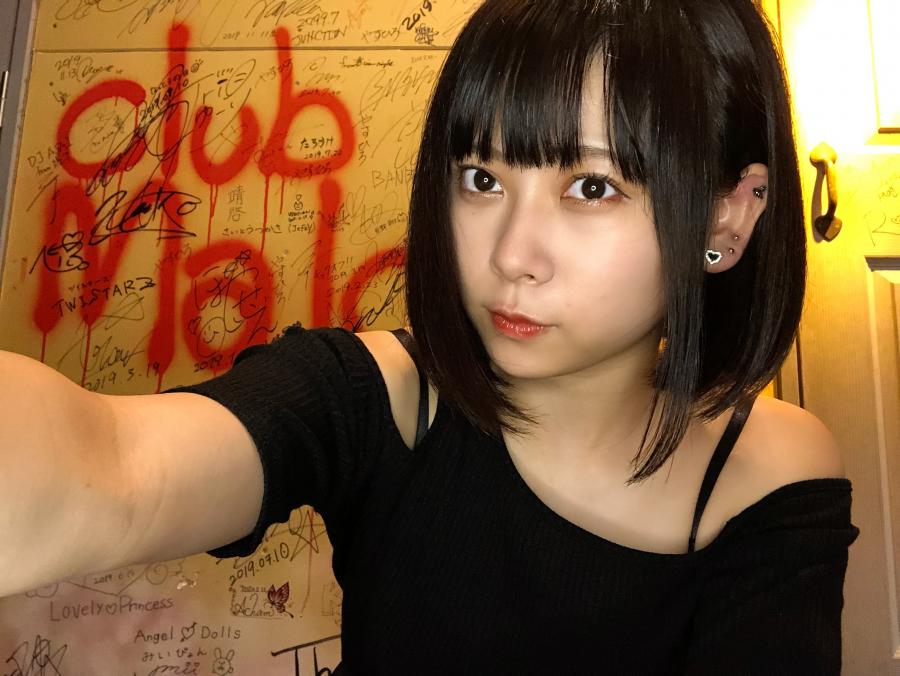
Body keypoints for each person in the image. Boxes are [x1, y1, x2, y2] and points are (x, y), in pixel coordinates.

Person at [0, 0, 859, 673]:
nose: (511, 255)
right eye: (482, 177)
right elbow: (115, 468)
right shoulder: (386, 398)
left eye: (591, 188)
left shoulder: (768, 472)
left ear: (727, 216)